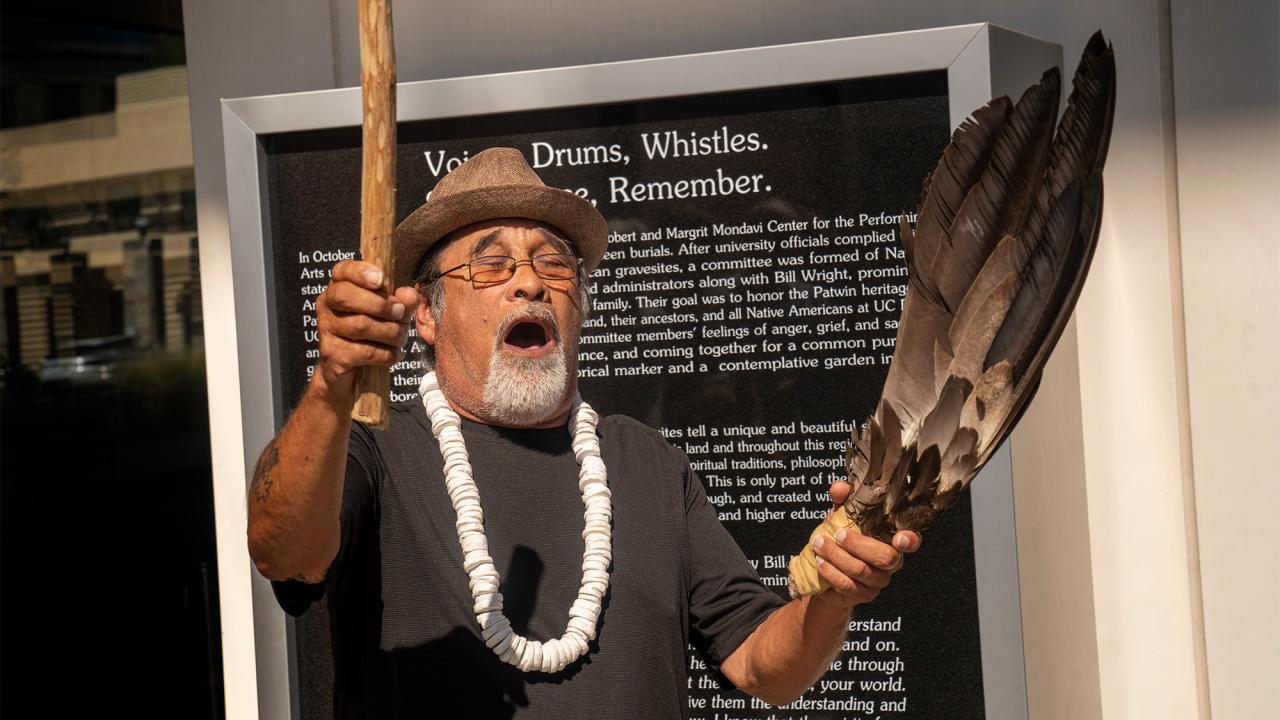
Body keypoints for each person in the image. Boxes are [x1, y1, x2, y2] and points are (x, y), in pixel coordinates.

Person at [247, 147, 920, 719]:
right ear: (425, 311)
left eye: (554, 264)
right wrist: (334, 382)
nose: (530, 284)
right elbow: (283, 552)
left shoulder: (645, 462)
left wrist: (836, 596)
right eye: (491, 264)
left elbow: (763, 668)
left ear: (582, 303)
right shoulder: (373, 450)